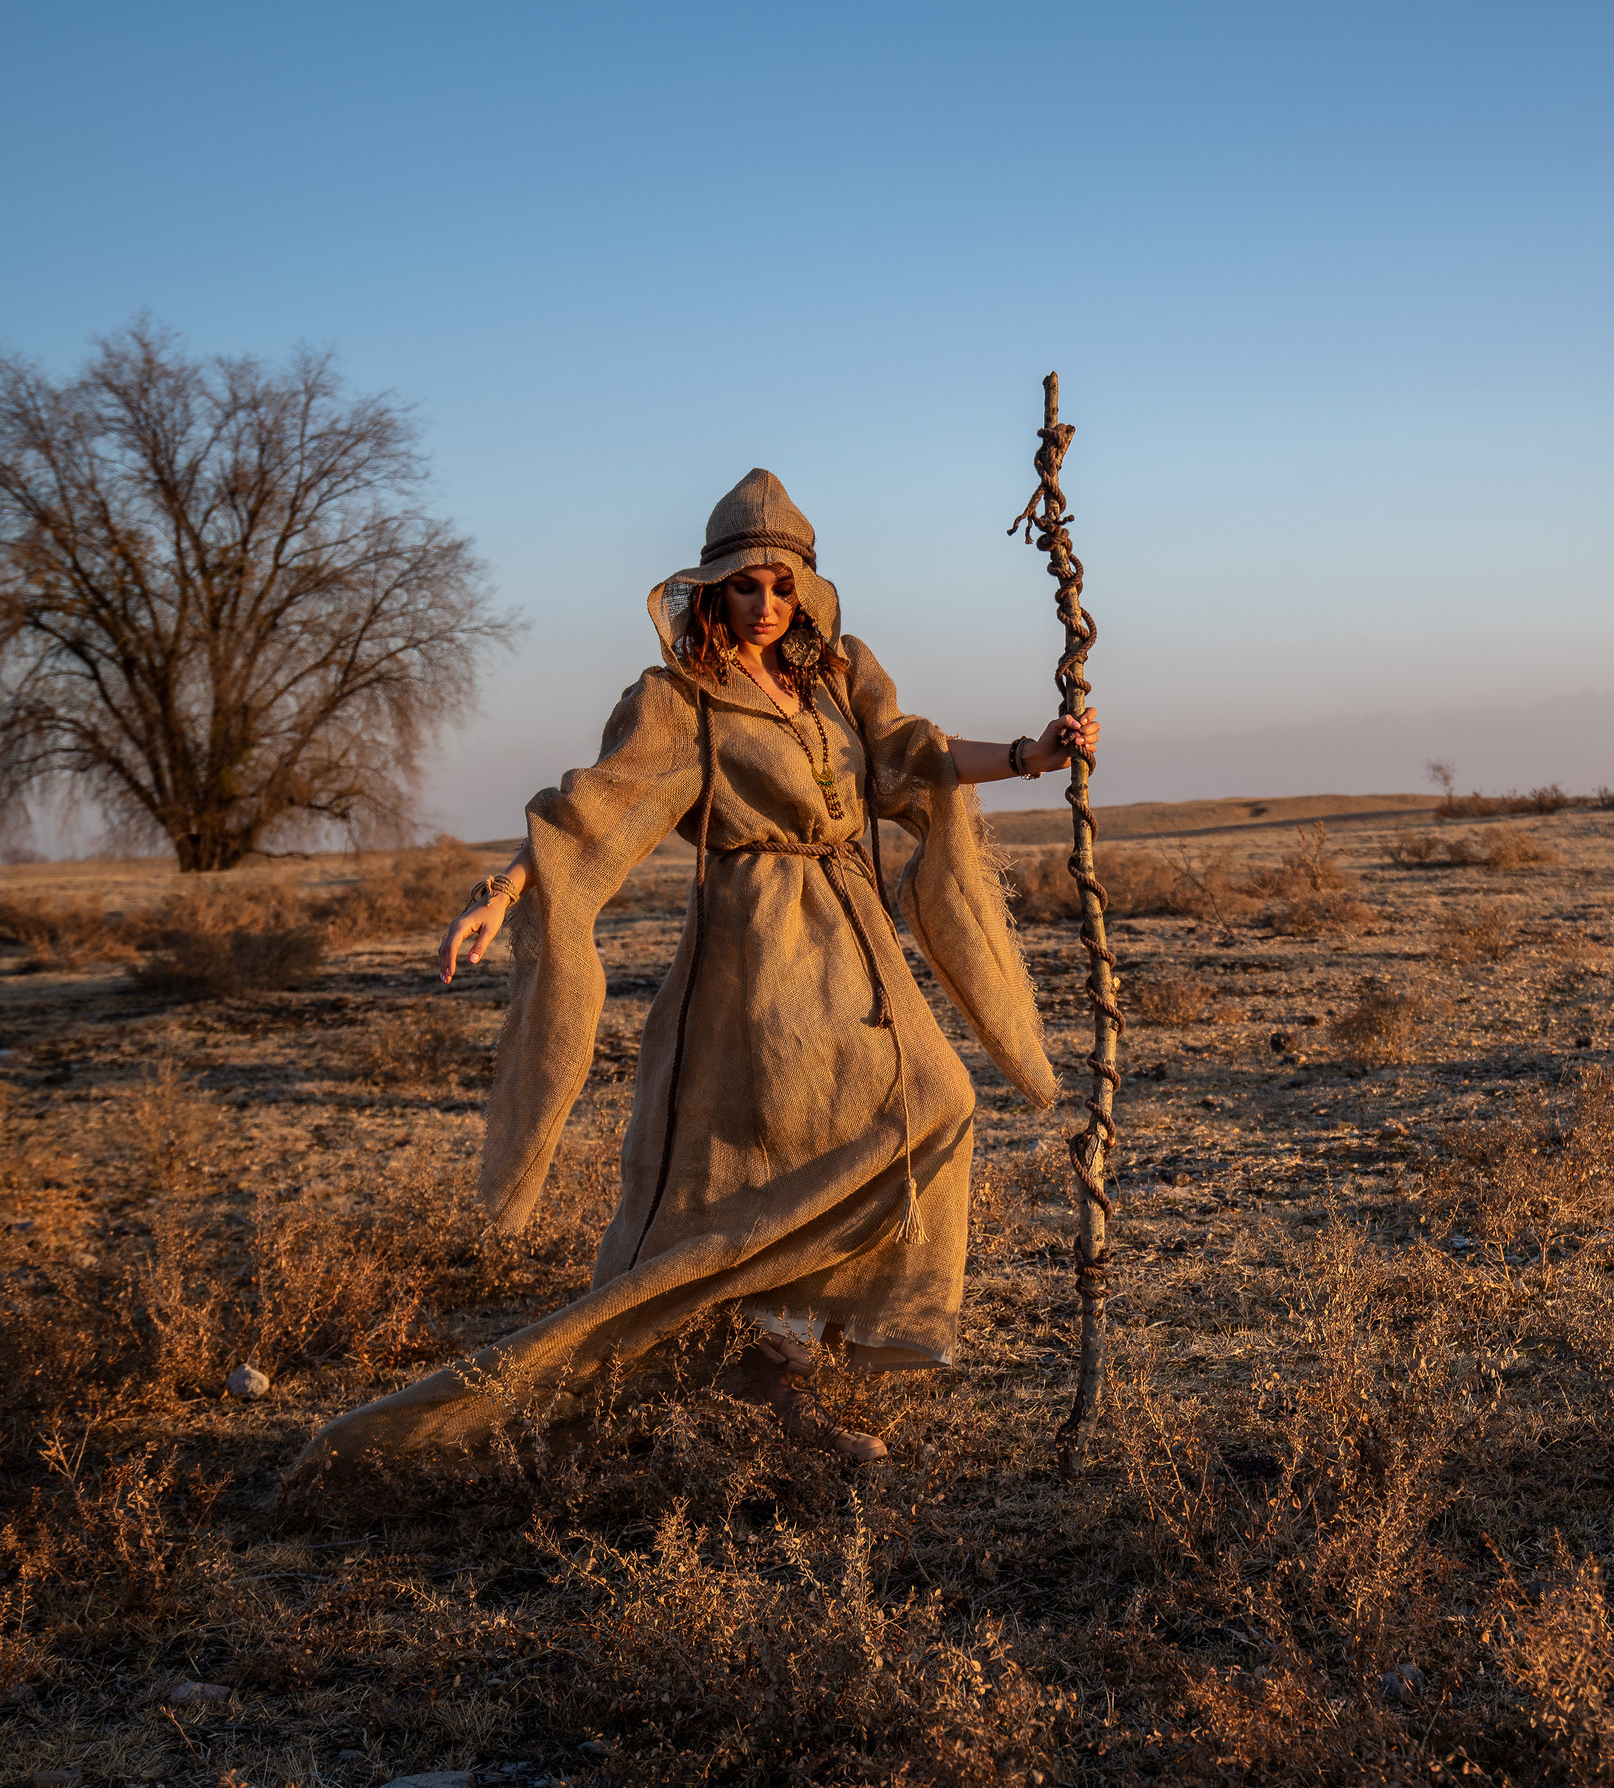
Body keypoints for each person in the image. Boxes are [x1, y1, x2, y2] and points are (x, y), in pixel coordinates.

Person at [291, 470, 1085, 1476]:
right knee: (753, 1168)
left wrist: (1031, 752)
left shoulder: (837, 677)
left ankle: (796, 1347)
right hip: (753, 957)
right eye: (745, 585)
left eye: (783, 586)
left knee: (938, 1101)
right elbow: (591, 810)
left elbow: (908, 756)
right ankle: (746, 1379)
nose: (765, 605)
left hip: (856, 942)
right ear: (712, 590)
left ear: (806, 589)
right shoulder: (678, 702)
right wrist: (500, 892)